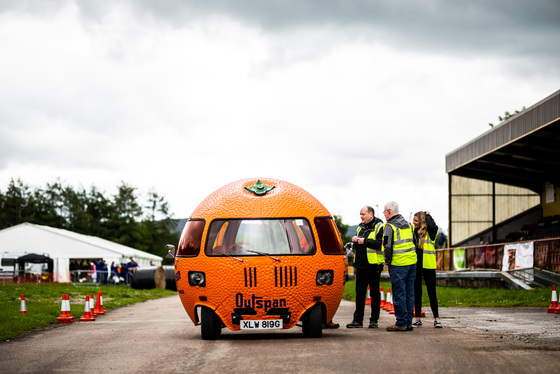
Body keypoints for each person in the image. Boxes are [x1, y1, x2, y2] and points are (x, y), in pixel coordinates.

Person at [346, 206, 384, 328]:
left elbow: (380, 244)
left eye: (363, 214)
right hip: (360, 265)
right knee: (360, 294)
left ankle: (374, 321)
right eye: (360, 214)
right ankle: (357, 321)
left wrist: (364, 241)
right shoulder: (360, 227)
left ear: (371, 214)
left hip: (373, 266)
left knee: (374, 294)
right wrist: (355, 241)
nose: (361, 216)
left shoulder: (380, 226)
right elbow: (359, 246)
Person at [382, 201, 417, 331]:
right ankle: (408, 322)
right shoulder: (409, 225)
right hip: (412, 263)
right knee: (409, 293)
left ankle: (401, 322)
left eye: (384, 212)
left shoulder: (389, 226)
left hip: (398, 264)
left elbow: (387, 246)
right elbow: (415, 241)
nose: (384, 214)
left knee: (399, 293)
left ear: (389, 212)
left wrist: (387, 261)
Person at [412, 211, 442, 328]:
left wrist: (428, 215)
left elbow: (434, 226)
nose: (413, 223)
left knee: (432, 292)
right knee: (417, 292)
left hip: (428, 266)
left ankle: (437, 318)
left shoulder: (431, 232)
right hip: (416, 266)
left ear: (422, 221)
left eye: (416, 220)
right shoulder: (414, 233)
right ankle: (417, 318)